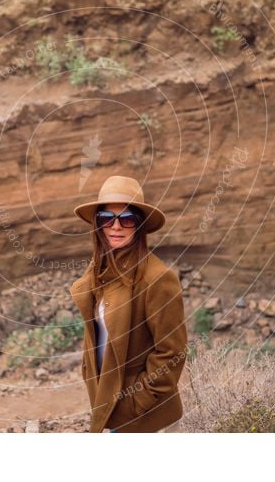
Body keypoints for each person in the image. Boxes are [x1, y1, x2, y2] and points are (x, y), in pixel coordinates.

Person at [68, 175, 188, 433]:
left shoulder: (157, 278)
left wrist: (135, 402)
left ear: (140, 224)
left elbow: (171, 353)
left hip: (148, 419)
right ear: (97, 225)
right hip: (112, 407)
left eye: (127, 219)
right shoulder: (99, 273)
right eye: (106, 219)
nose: (116, 227)